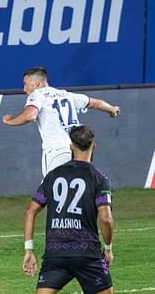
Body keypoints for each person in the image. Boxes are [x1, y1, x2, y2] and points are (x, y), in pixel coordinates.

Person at [22, 125, 114, 294]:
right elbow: (106, 219)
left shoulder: (52, 175)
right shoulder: (100, 179)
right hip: (87, 254)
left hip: (55, 254)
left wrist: (29, 249)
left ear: (71, 146)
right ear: (94, 146)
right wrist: (107, 249)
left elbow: (30, 211)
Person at [2, 66, 120, 177]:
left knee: (51, 191)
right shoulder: (65, 94)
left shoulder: (37, 95)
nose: (24, 89)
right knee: (74, 188)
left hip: (56, 150)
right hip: (77, 149)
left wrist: (9, 121)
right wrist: (112, 109)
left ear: (37, 83)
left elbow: (29, 116)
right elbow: (96, 103)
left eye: (25, 84)